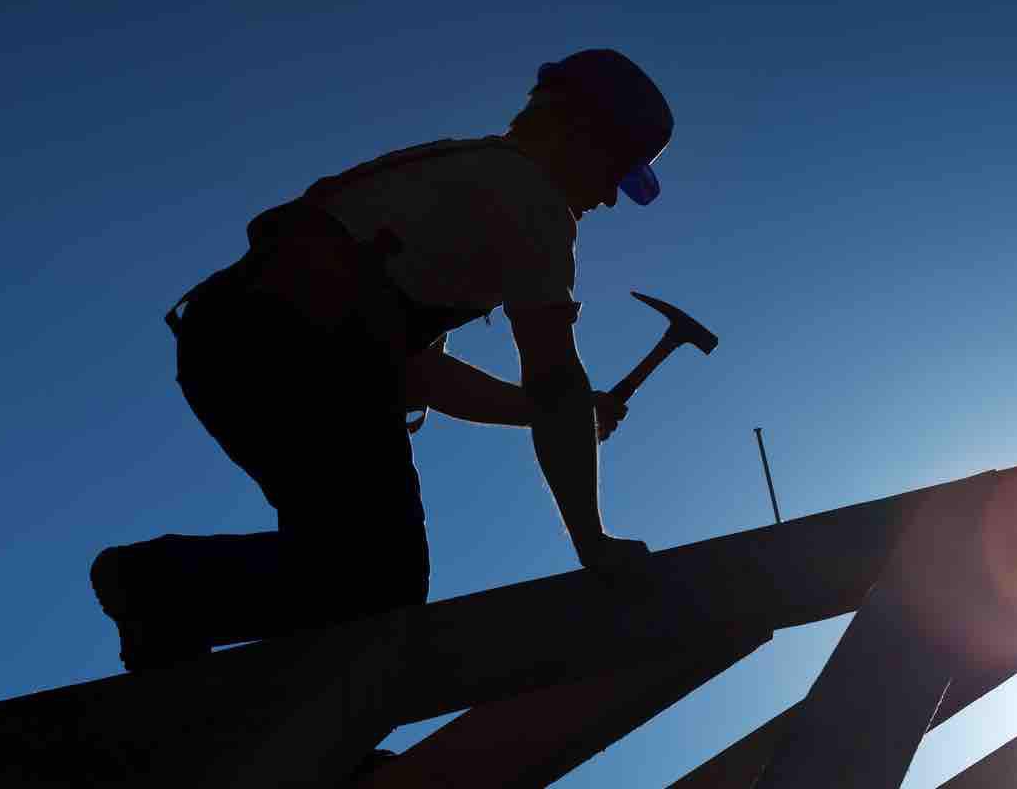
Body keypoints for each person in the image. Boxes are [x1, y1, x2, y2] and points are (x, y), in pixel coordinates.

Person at [90, 49, 670, 671]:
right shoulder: (532, 199)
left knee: (348, 576)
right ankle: (160, 585)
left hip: (233, 343)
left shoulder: (454, 183)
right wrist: (592, 540)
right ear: (575, 131)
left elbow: (421, 373)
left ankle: (188, 655)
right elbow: (555, 375)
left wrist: (558, 416)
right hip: (300, 354)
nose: (610, 198)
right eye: (615, 170)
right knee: (376, 583)